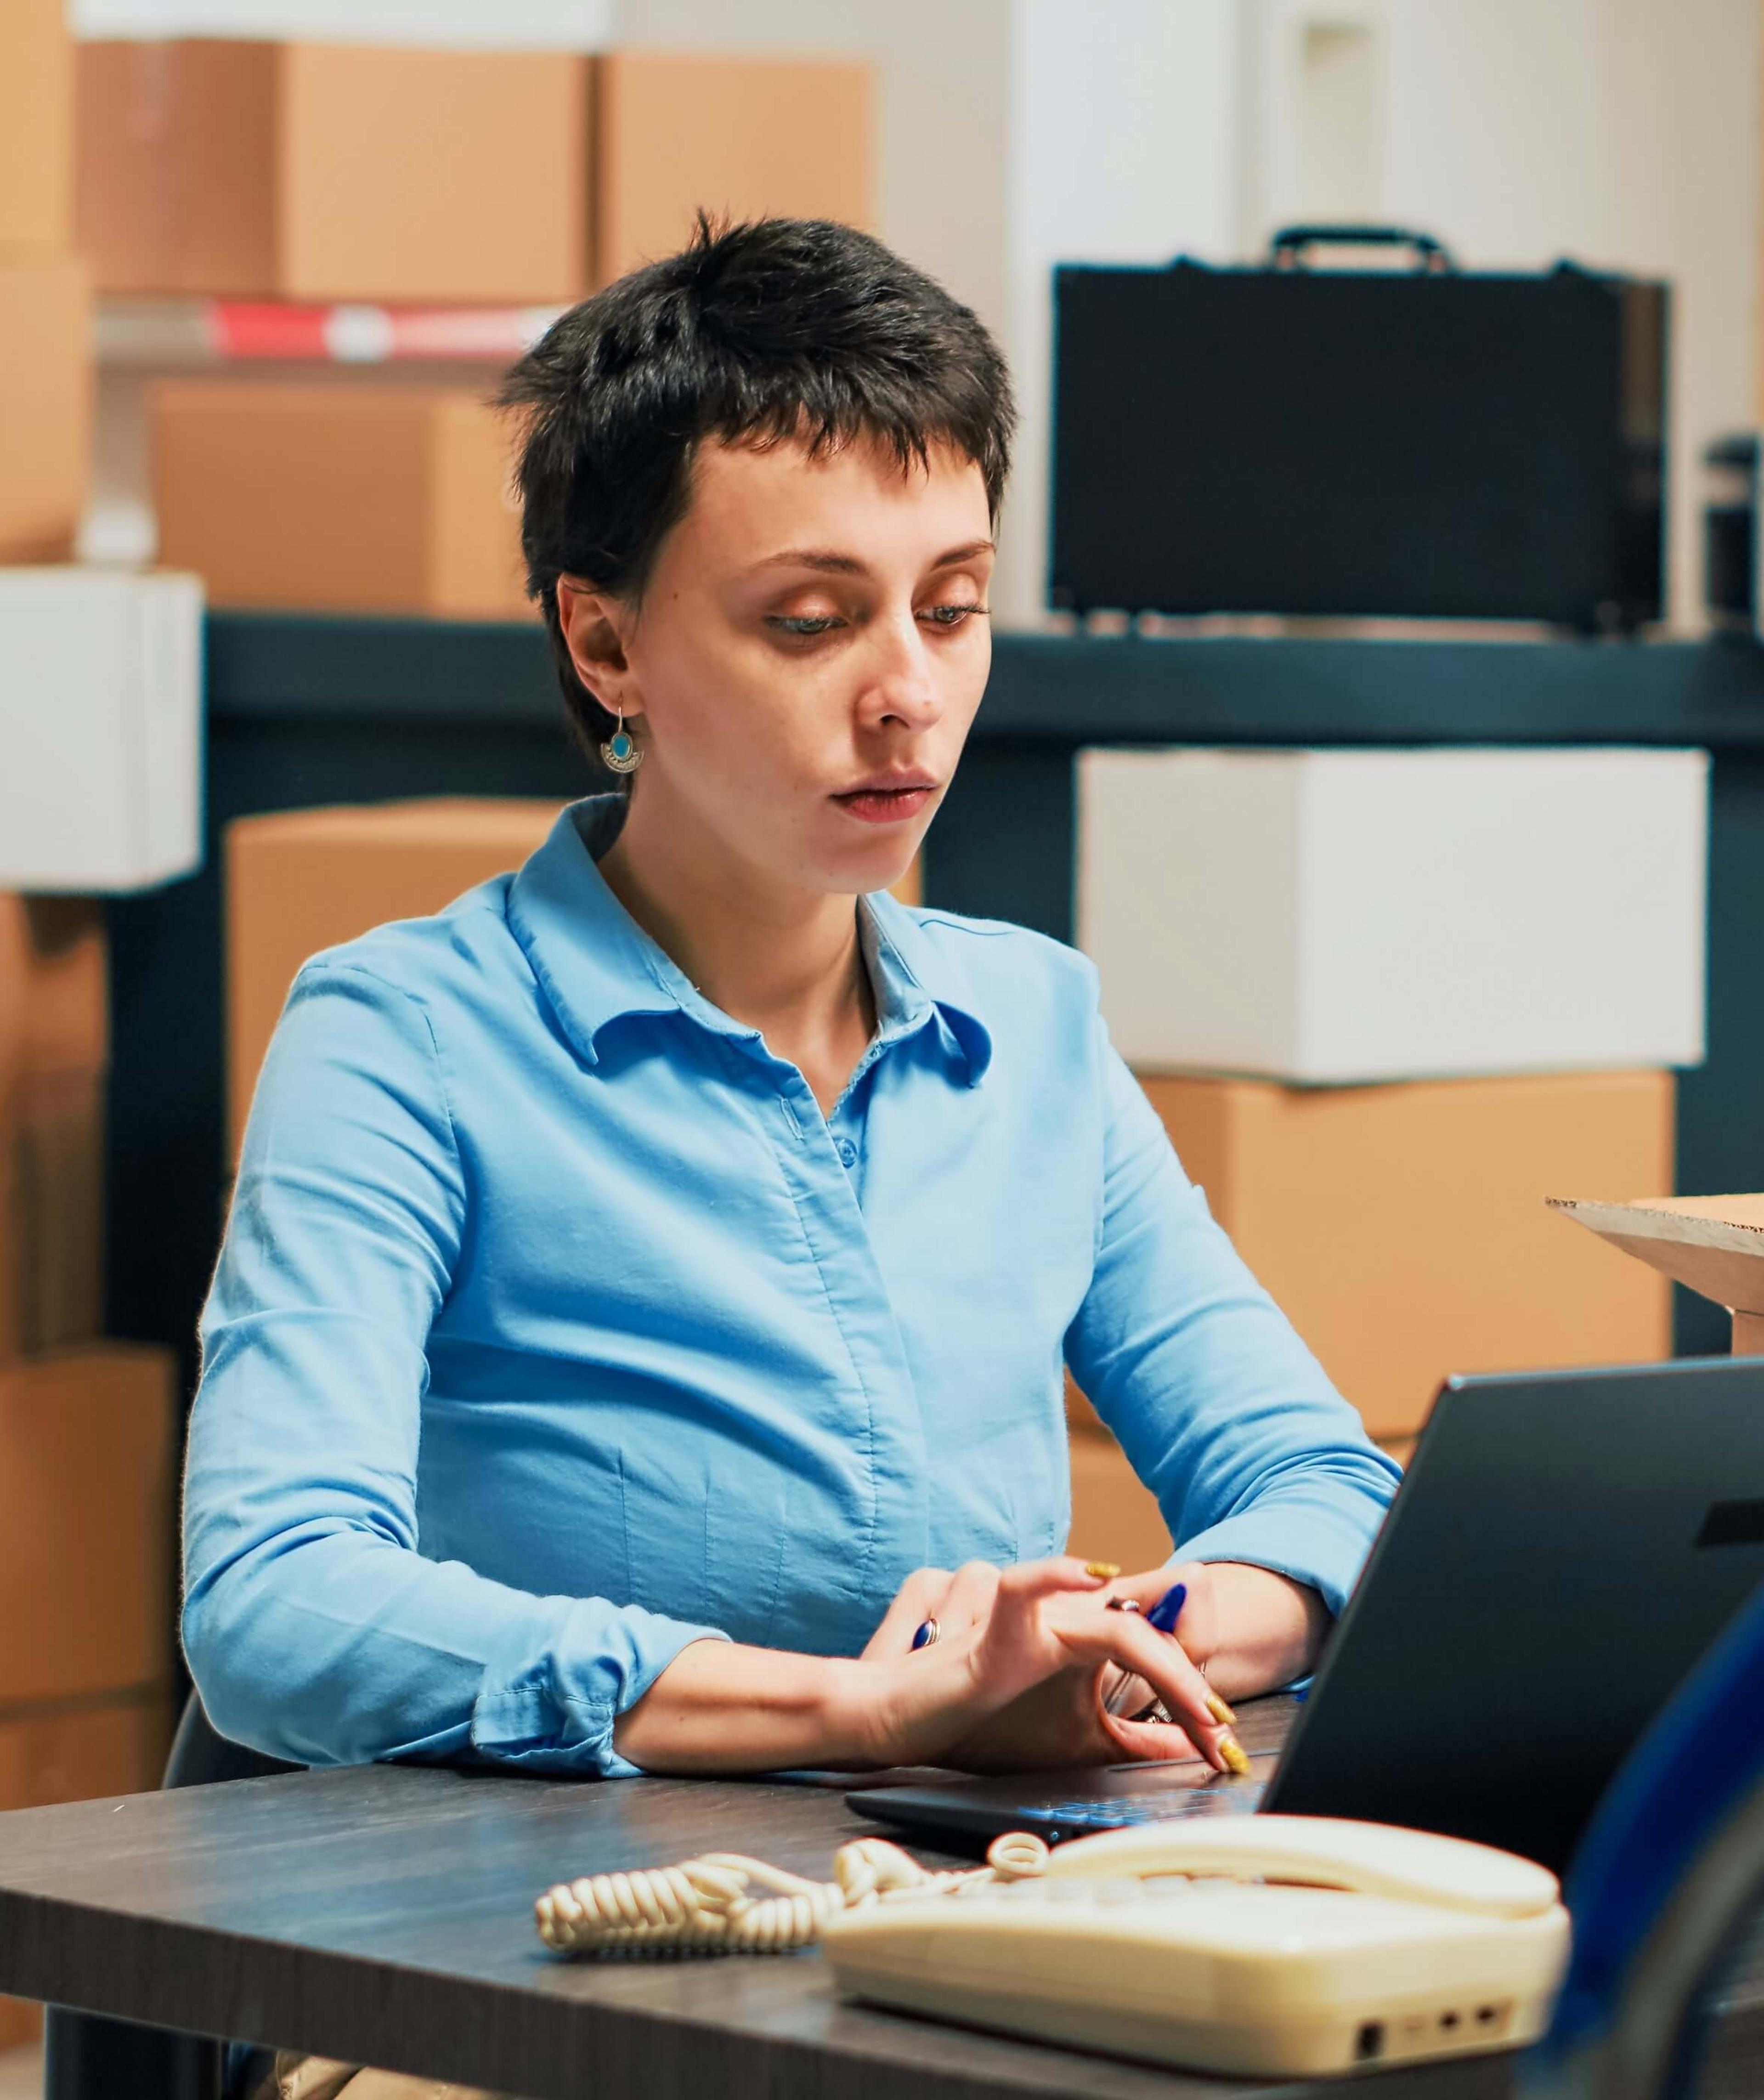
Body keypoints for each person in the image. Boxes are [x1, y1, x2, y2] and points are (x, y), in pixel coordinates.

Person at [183, 216, 1399, 1806]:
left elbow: (1323, 1486)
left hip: (953, 1892)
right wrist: (873, 1710)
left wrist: (1108, 1635)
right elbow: (276, 1600)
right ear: (605, 639)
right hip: (528, 1936)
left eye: (951, 608)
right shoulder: (403, 1039)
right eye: (812, 622)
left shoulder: (1030, 1022)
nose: (906, 691)